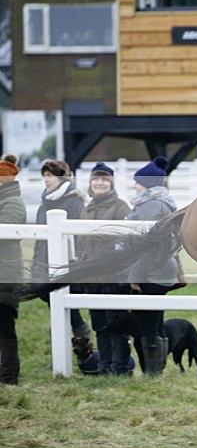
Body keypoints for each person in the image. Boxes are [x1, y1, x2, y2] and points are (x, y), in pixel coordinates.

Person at [76, 162, 133, 375]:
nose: (99, 183)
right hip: (91, 275)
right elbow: (81, 242)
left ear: (111, 183)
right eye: (96, 179)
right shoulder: (86, 209)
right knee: (99, 323)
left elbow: (125, 242)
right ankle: (104, 365)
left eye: (104, 180)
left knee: (115, 324)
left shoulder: (121, 207)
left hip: (113, 274)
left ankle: (120, 367)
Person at [125, 156, 179, 375]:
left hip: (151, 271)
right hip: (159, 269)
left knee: (147, 324)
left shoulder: (151, 205)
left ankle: (152, 371)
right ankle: (155, 369)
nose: (134, 186)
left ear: (147, 185)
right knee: (154, 320)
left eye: (137, 182)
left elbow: (147, 244)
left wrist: (135, 275)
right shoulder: (160, 201)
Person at [32, 159, 92, 348]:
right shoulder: (44, 203)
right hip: (45, 263)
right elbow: (39, 238)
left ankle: (83, 341)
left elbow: (78, 237)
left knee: (64, 307)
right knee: (54, 306)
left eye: (51, 175)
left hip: (66, 263)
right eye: (45, 176)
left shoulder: (74, 202)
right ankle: (65, 351)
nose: (47, 180)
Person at [0, 155, 27, 384]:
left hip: (5, 273)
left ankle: (9, 375)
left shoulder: (13, 203)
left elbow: (6, 231)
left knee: (5, 325)